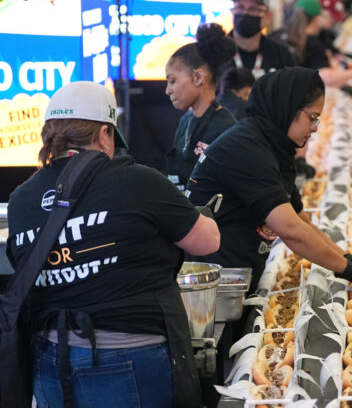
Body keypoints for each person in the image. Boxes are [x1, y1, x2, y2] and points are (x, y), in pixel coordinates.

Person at [5, 81, 220, 407]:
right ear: (104, 133)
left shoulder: (21, 199)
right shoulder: (136, 180)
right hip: (129, 358)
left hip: (49, 361)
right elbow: (208, 241)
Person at [186, 67, 352, 292]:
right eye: (312, 118)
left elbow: (300, 220)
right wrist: (346, 268)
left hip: (234, 274)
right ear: (288, 108)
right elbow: (290, 230)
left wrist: (346, 258)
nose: (315, 129)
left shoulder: (272, 144)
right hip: (213, 282)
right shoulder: (246, 149)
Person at [165, 23, 237, 192]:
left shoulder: (226, 128)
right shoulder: (185, 121)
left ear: (198, 77)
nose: (168, 90)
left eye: (172, 81)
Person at [271, 0, 352, 95]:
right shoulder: (311, 42)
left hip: (273, 91)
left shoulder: (278, 34)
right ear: (318, 17)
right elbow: (325, 77)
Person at [228, 0, 297, 79]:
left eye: (253, 9)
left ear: (268, 16)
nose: (245, 13)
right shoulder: (216, 53)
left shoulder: (282, 56)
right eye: (240, 7)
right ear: (232, 11)